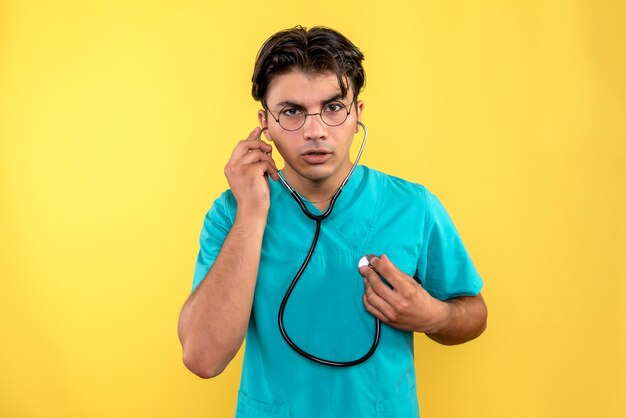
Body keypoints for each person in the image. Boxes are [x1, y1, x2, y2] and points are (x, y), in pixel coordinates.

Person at [178, 25, 487, 418]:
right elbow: (203, 358)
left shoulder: (413, 206)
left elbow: (474, 313)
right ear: (265, 123)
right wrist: (252, 212)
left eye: (333, 107)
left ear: (357, 114)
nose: (315, 130)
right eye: (291, 111)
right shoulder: (231, 213)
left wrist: (433, 316)